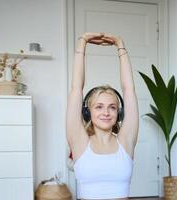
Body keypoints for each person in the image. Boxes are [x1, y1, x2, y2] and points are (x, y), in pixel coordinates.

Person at [66, 32, 139, 200]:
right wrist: (82, 42)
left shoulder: (125, 142)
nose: (106, 112)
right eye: (99, 107)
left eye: (112, 107)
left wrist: (120, 45)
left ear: (119, 113)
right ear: (87, 112)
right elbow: (76, 88)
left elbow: (129, 90)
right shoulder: (79, 141)